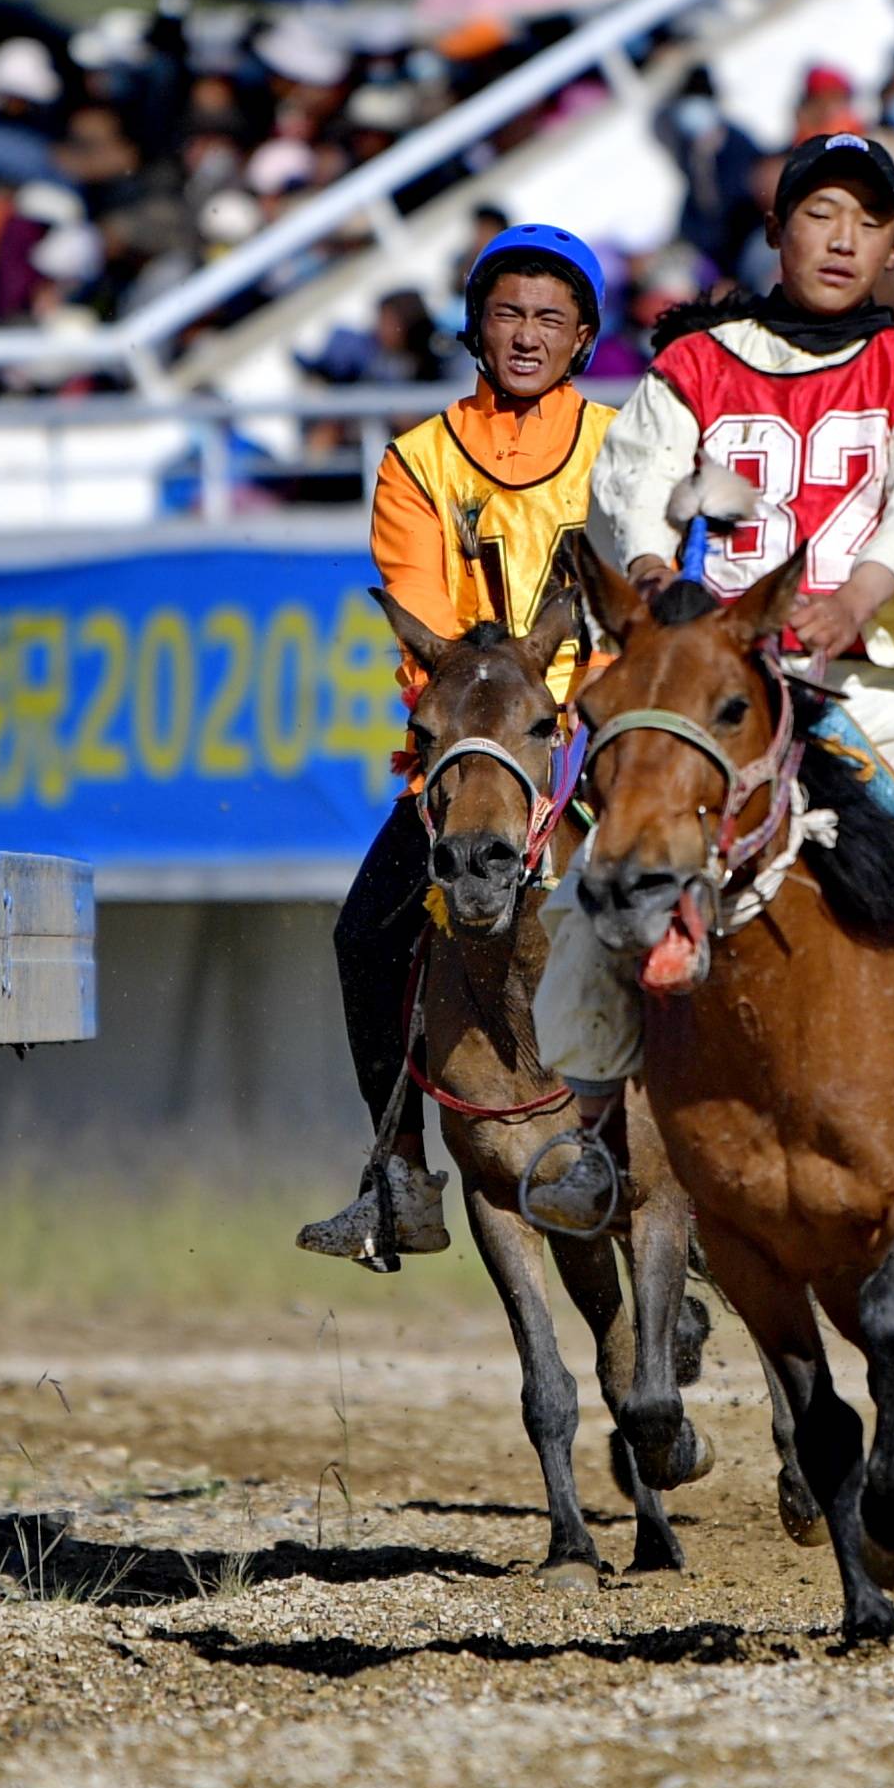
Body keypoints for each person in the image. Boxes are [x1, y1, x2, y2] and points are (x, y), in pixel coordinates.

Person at [526, 132, 894, 1249]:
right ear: (777, 230)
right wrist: (658, 580)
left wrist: (858, 598)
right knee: (603, 870)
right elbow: (631, 492)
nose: (840, 239)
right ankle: (587, 1128)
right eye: (818, 214)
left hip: (871, 692)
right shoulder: (693, 365)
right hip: (710, 700)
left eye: (866, 221)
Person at [299, 223, 615, 1267]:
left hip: (602, 729)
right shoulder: (417, 460)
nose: (527, 334)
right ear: (476, 328)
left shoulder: (626, 446)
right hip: (480, 742)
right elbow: (429, 637)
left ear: (582, 338)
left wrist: (584, 717)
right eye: (508, 313)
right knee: (364, 935)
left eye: (550, 318)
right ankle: (399, 1174)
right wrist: (498, 724)